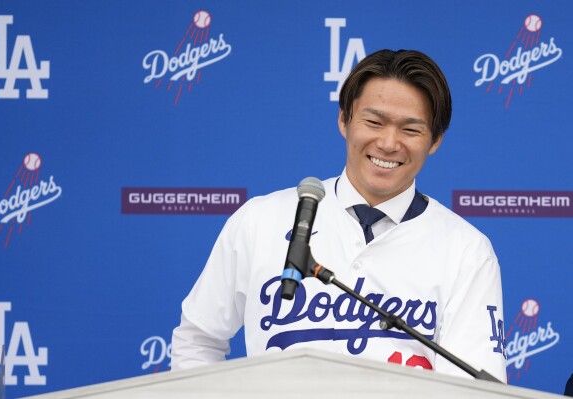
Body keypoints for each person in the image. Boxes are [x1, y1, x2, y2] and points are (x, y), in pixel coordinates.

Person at [171, 49, 507, 382]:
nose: (389, 143)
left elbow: (474, 388)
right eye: (374, 122)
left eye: (410, 130)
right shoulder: (260, 220)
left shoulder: (467, 251)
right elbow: (197, 340)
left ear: (435, 141)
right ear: (344, 120)